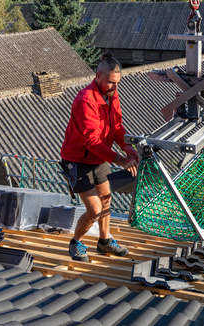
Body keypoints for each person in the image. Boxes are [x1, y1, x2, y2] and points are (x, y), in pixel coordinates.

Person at [60, 53, 139, 262]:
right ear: (98, 76)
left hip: (98, 158)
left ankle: (104, 242)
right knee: (94, 210)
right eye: (110, 82)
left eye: (117, 82)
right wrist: (121, 160)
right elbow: (91, 142)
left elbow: (118, 128)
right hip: (77, 160)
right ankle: (75, 242)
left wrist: (128, 149)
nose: (115, 87)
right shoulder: (85, 100)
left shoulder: (112, 95)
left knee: (106, 200)